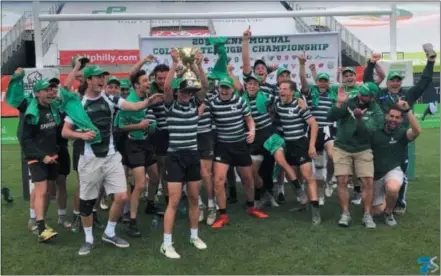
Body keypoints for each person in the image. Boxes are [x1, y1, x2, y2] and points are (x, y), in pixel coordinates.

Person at [61, 65, 163, 255]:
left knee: (122, 196)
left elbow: (134, 106)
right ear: (88, 80)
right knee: (87, 202)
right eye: (98, 77)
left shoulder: (110, 98)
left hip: (111, 156)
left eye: (103, 77)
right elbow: (65, 131)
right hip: (90, 159)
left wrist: (148, 101)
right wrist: (81, 136)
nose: (102, 80)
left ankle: (109, 232)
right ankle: (89, 239)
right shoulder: (79, 104)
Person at [363, 51, 436, 215]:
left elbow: (424, 82)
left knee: (401, 168)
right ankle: (377, 197)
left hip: (402, 137)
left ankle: (399, 202)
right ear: (387, 82)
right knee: (375, 168)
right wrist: (371, 64)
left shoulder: (408, 95)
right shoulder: (380, 94)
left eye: (398, 80)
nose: (395, 83)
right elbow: (368, 83)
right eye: (392, 80)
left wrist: (430, 63)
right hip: (379, 137)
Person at [159, 48, 208, 259]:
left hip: (192, 156)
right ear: (178, 93)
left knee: (195, 198)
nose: (188, 95)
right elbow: (167, 86)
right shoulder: (170, 106)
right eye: (185, 91)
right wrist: (174, 63)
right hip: (175, 157)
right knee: (174, 201)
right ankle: (166, 243)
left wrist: (198, 66)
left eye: (190, 92)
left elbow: (205, 87)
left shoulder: (194, 105)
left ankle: (194, 235)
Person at [208, 76, 269, 229]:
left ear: (232, 89)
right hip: (222, 146)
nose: (224, 90)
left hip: (240, 145)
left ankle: (251, 207)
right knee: (218, 181)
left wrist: (253, 130)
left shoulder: (240, 101)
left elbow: (249, 120)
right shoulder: (213, 103)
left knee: (248, 178)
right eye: (222, 87)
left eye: (227, 87)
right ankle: (222, 215)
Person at [327, 82, 384, 228]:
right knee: (342, 180)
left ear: (372, 97)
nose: (360, 96)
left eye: (364, 95)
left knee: (367, 181)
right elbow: (331, 117)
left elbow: (368, 131)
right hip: (342, 147)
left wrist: (359, 120)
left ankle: (367, 215)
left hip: (363, 148)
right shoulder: (349, 102)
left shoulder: (377, 111)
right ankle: (345, 213)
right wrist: (339, 104)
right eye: (360, 93)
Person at [115, 69, 160, 237]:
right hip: (132, 144)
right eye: (145, 81)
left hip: (146, 142)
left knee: (155, 177)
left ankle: (149, 204)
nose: (149, 83)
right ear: (136, 85)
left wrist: (150, 126)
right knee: (140, 184)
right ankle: (132, 221)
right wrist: (139, 126)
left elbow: (147, 118)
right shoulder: (130, 101)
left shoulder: (144, 98)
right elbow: (120, 127)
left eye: (148, 80)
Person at [366, 102, 421, 226]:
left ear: (401, 120)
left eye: (397, 118)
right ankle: (383, 205)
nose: (393, 120)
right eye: (391, 116)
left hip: (393, 170)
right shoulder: (375, 132)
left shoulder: (401, 133)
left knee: (393, 188)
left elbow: (417, 131)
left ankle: (389, 213)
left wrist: (407, 111)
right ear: (386, 116)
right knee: (375, 211)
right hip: (375, 175)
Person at [273, 80, 321, 224]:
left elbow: (314, 125)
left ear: (292, 92)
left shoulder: (299, 105)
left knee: (308, 176)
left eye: (285, 89)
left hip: (301, 144)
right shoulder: (277, 105)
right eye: (280, 89)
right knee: (289, 174)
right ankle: (302, 201)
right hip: (288, 144)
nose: (282, 91)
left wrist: (311, 146)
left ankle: (315, 211)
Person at [298, 55, 335, 206]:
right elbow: (302, 80)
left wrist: (314, 71)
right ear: (317, 82)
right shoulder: (311, 93)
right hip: (314, 131)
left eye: (325, 80)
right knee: (318, 165)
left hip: (328, 129)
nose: (322, 83)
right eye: (320, 80)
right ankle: (320, 194)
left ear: (327, 83)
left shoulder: (333, 95)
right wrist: (302, 65)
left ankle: (329, 181)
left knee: (333, 156)